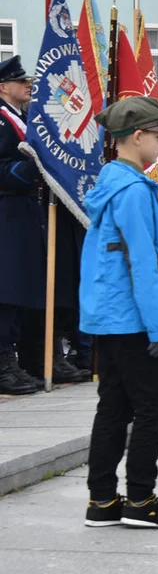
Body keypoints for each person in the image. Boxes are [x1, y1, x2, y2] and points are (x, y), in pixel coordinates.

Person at [81, 97, 158, 529]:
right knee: (152, 408)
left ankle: (103, 501)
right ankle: (141, 500)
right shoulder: (132, 191)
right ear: (138, 136)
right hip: (132, 319)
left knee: (112, 407)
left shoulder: (115, 184)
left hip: (111, 317)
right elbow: (144, 263)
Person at [0, 56, 46, 395]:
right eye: (20, 81)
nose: (27, 85)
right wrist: (33, 168)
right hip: (7, 209)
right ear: (3, 87)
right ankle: (3, 363)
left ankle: (15, 359)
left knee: (20, 288)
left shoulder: (21, 117)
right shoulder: (2, 121)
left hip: (25, 209)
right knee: (7, 288)